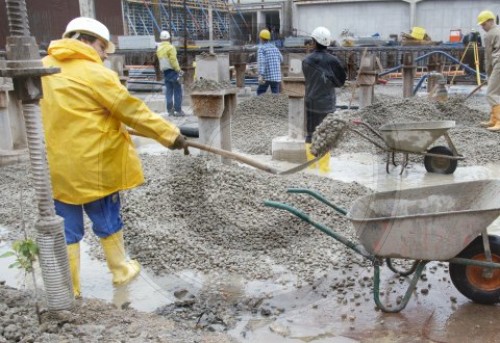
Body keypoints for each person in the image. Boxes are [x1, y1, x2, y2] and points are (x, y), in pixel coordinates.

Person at [40, 17, 187, 297]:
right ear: (84, 40)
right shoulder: (96, 74)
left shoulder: (44, 68)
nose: (105, 53)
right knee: (107, 219)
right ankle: (121, 270)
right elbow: (132, 111)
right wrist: (170, 135)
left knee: (67, 229)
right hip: (96, 164)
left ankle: (69, 290)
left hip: (60, 165)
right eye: (101, 46)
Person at [302, 26, 346, 173]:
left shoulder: (306, 60)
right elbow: (340, 82)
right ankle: (324, 169)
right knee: (325, 135)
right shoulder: (334, 61)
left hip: (311, 103)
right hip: (327, 104)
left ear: (314, 42)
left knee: (310, 134)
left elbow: (308, 78)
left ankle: (311, 168)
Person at [477, 10, 500, 131]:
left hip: (498, 64)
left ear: (491, 21)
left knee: (491, 93)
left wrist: (488, 73)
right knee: (496, 93)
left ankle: (499, 121)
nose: (482, 27)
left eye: (484, 24)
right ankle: (494, 120)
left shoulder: (489, 34)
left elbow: (489, 56)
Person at [156, 30, 185, 116]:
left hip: (165, 72)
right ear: (169, 38)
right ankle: (178, 110)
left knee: (169, 91)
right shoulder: (171, 48)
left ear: (161, 39)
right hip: (173, 71)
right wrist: (178, 70)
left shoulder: (159, 48)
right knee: (177, 90)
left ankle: (170, 110)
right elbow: (173, 60)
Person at [257, 29, 283, 95]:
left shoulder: (261, 48)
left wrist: (261, 75)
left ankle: (261, 105)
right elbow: (281, 59)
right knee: (275, 94)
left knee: (260, 92)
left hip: (266, 76)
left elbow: (261, 62)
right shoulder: (275, 48)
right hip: (276, 76)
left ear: (261, 38)